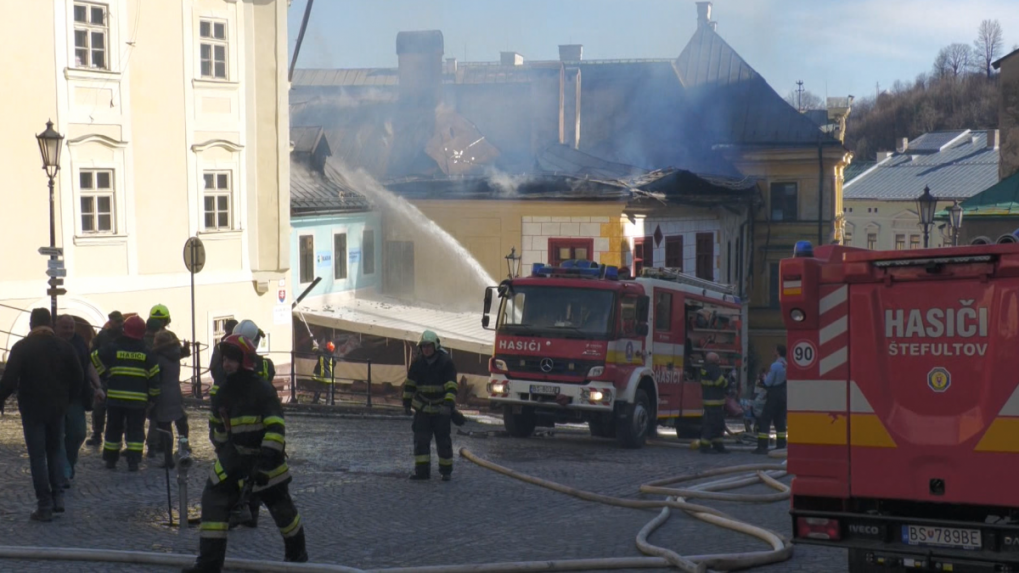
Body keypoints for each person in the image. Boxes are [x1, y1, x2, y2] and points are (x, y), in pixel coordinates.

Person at [183, 334, 307, 572]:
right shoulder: (221, 391)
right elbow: (217, 429)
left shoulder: (262, 390)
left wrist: (263, 465)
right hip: (234, 458)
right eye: (225, 359)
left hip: (266, 462)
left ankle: (298, 559)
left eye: (232, 360)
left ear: (245, 361)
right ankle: (208, 565)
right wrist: (224, 453)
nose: (226, 364)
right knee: (213, 498)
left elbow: (275, 429)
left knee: (283, 512)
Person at [0, 308, 84, 521]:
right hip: (57, 408)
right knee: (55, 451)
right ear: (50, 323)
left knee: (37, 456)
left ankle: (44, 505)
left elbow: (9, 381)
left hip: (32, 408)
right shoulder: (65, 347)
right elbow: (78, 377)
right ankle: (58, 497)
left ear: (31, 324)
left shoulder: (22, 347)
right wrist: (68, 399)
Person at [91, 315, 161, 471]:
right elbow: (155, 378)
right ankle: (134, 461)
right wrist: (153, 398)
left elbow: (94, 357)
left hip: (115, 397)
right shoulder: (147, 352)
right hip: (138, 400)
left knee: (113, 428)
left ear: (124, 330)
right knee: (136, 430)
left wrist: (104, 374)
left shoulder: (113, 347)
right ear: (142, 333)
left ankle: (110, 459)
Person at [226, 320, 275, 530]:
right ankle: (251, 514)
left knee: (237, 470)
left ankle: (238, 510)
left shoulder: (233, 365)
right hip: (260, 424)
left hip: (238, 422)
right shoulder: (267, 365)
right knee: (254, 472)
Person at [55, 315, 105, 484]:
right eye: (65, 327)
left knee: (78, 433)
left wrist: (97, 386)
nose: (69, 330)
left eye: (71, 327)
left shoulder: (79, 342)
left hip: (77, 396)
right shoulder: (51, 343)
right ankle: (63, 470)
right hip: (55, 397)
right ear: (56, 327)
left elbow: (88, 364)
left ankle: (68, 463)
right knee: (57, 434)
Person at [402, 330, 458, 481]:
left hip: (441, 410)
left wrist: (448, 405)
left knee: (443, 442)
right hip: (423, 409)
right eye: (423, 346)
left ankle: (446, 471)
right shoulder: (417, 364)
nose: (426, 349)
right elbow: (410, 385)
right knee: (421, 441)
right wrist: (406, 403)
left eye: (429, 346)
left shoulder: (446, 362)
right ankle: (422, 472)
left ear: (436, 346)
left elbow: (452, 387)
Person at [151, 329, 189, 469]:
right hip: (175, 392)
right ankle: (184, 447)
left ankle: (168, 459)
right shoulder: (175, 354)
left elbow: (155, 377)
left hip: (163, 395)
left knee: (165, 428)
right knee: (180, 421)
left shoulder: (159, 357)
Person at [86, 310, 124, 447]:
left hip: (120, 377)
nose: (120, 324)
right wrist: (101, 372)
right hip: (104, 378)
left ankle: (116, 436)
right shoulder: (103, 336)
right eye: (117, 321)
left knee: (118, 410)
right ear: (110, 322)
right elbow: (92, 354)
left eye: (121, 321)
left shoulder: (125, 336)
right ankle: (97, 434)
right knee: (99, 407)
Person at [754, 345, 788, 454]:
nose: (773, 351)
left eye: (774, 350)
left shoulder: (775, 365)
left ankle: (762, 446)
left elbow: (768, 382)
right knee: (780, 421)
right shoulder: (786, 365)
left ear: (777, 352)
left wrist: (763, 378)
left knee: (765, 419)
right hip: (783, 394)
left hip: (774, 395)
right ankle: (781, 445)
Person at [698, 352, 729, 454]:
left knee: (717, 424)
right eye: (718, 359)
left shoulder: (705, 368)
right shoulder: (714, 369)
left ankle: (717, 444)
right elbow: (720, 382)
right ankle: (706, 446)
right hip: (715, 401)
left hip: (709, 401)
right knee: (712, 425)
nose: (719, 361)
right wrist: (728, 382)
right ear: (714, 360)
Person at [208, 319, 238, 390]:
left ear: (225, 329)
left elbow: (213, 366)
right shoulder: (241, 344)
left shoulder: (219, 346)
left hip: (219, 385)